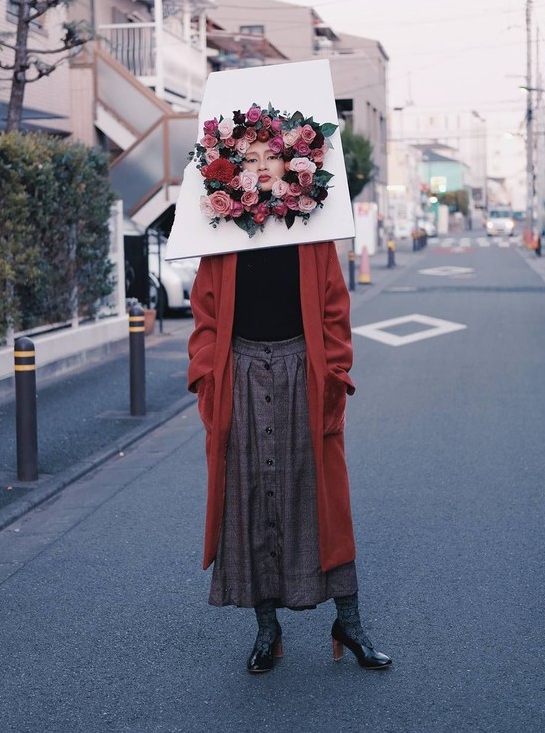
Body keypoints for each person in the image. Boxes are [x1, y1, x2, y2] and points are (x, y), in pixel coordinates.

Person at [187, 104, 391, 674]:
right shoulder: (223, 233)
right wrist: (206, 378)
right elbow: (204, 316)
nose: (261, 166)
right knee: (251, 494)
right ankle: (267, 630)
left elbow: (334, 309)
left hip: (307, 369)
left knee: (322, 499)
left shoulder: (313, 228)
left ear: (291, 160)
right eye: (249, 158)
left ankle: (349, 625)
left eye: (270, 155)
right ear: (236, 168)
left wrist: (337, 375)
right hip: (242, 373)